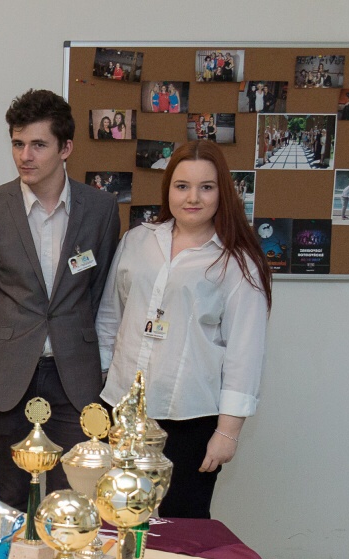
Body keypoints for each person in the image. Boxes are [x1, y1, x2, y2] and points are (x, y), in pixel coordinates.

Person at [0, 89, 120, 510]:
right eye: (18, 144)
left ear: (65, 148)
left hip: (76, 378)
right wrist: (9, 342)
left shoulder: (101, 208)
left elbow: (100, 290)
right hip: (8, 377)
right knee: (12, 497)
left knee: (72, 498)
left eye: (38, 145)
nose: (25, 156)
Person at [97, 141, 271, 518]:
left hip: (190, 422)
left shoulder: (238, 262)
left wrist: (227, 433)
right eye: (182, 186)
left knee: (179, 528)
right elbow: (111, 318)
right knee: (115, 520)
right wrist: (101, 385)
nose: (193, 197)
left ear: (222, 192)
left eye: (206, 187)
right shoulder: (137, 241)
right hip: (121, 413)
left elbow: (244, 354)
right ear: (168, 190)